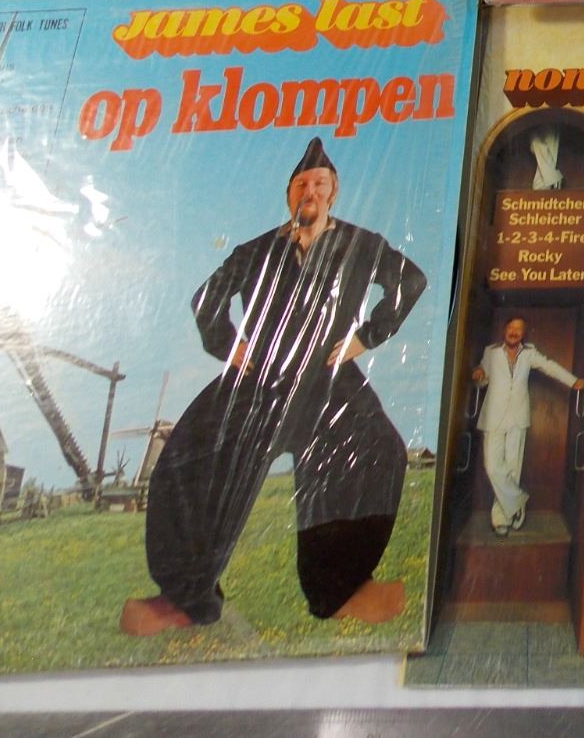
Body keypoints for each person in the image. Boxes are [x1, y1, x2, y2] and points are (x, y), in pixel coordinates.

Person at [120, 139, 426, 636]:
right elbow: (207, 298)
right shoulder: (258, 249)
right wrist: (230, 347)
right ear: (289, 194)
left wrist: (366, 337)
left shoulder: (361, 243)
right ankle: (182, 597)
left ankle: (340, 590)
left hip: (328, 377)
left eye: (319, 184)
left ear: (333, 193)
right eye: (302, 184)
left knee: (379, 449)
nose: (310, 191)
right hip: (258, 379)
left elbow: (410, 281)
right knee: (188, 456)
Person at [473, 317, 584, 535]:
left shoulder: (529, 353)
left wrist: (573, 381)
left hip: (518, 417)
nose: (514, 332)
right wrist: (479, 374)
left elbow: (549, 367)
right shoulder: (491, 352)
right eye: (511, 327)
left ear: (523, 334)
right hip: (494, 417)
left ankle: (502, 517)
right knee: (493, 466)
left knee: (513, 467)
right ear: (505, 330)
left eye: (519, 329)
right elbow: (483, 378)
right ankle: (517, 504)